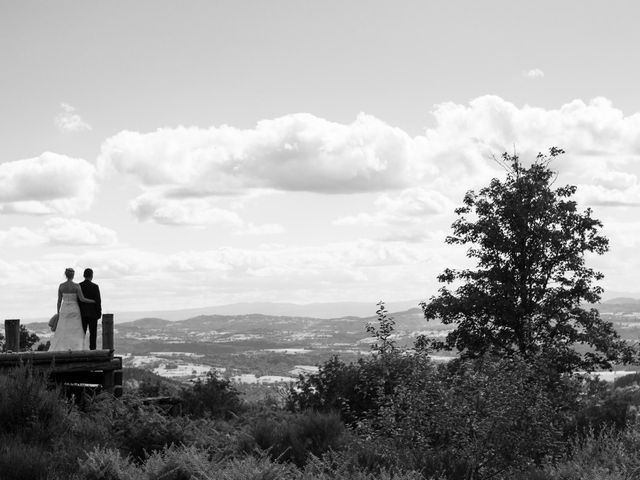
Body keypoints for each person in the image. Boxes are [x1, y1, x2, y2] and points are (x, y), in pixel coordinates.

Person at [49, 268, 96, 351]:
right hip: (74, 309)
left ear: (65, 275)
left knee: (63, 330)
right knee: (76, 330)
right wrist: (92, 301)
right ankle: (77, 348)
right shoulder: (76, 286)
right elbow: (82, 299)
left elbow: (59, 301)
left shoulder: (61, 286)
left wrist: (58, 312)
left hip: (64, 310)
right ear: (73, 275)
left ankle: (62, 349)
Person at [79, 268, 102, 350]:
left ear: (84, 275)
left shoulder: (79, 286)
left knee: (82, 333)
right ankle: (93, 349)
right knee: (93, 333)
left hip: (82, 314)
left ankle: (80, 348)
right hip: (93, 313)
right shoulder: (95, 287)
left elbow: (77, 300)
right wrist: (99, 313)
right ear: (92, 276)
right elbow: (98, 301)